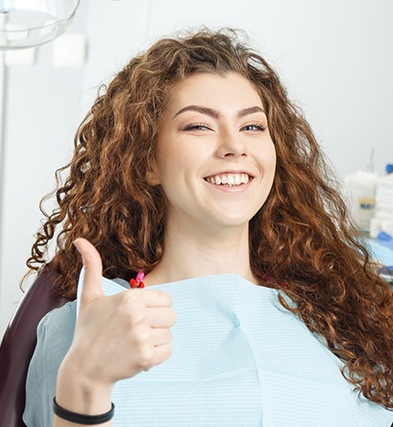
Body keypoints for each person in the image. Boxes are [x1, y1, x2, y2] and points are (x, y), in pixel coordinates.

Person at [22, 28, 393, 426]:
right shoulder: (88, 325)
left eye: (252, 127)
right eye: (199, 126)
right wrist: (86, 379)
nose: (235, 146)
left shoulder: (343, 315)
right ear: (147, 162)